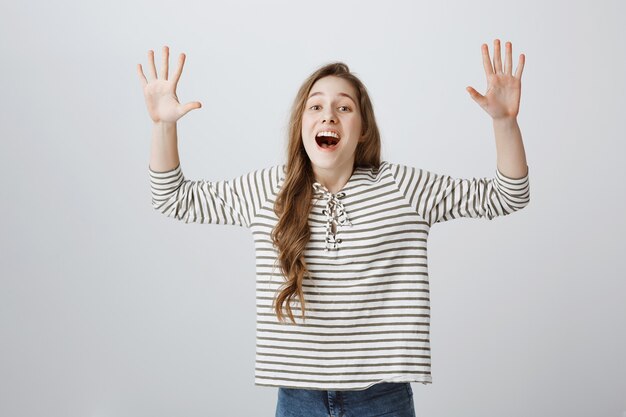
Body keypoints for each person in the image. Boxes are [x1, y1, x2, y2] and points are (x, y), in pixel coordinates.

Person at [137, 39, 530, 417]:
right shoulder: (264, 190)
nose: (329, 115)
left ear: (362, 130)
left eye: (344, 108)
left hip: (383, 399)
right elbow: (173, 198)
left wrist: (504, 122)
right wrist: (163, 125)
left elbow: (507, 195)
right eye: (316, 107)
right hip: (297, 400)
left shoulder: (403, 188)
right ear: (302, 124)